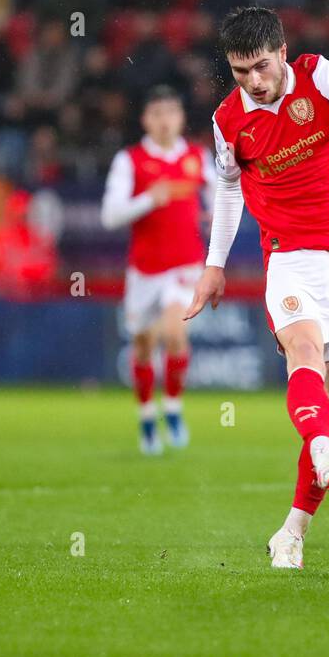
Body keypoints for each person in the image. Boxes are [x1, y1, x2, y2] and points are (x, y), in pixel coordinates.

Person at [185, 6, 329, 570]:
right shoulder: (228, 120)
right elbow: (230, 191)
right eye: (240, 72)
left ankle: (292, 531)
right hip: (292, 257)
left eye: (261, 67)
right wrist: (215, 264)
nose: (253, 82)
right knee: (303, 352)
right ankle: (322, 446)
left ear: (282, 53)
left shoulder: (321, 76)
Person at [101, 86, 213, 454]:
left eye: (171, 113)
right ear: (145, 120)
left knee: (174, 331)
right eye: (157, 114)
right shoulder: (129, 160)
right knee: (144, 343)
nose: (165, 121)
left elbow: (221, 196)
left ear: (181, 117)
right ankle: (147, 416)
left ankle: (174, 408)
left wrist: (215, 213)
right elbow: (110, 216)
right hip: (145, 270)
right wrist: (150, 198)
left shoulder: (199, 157)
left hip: (185, 265)